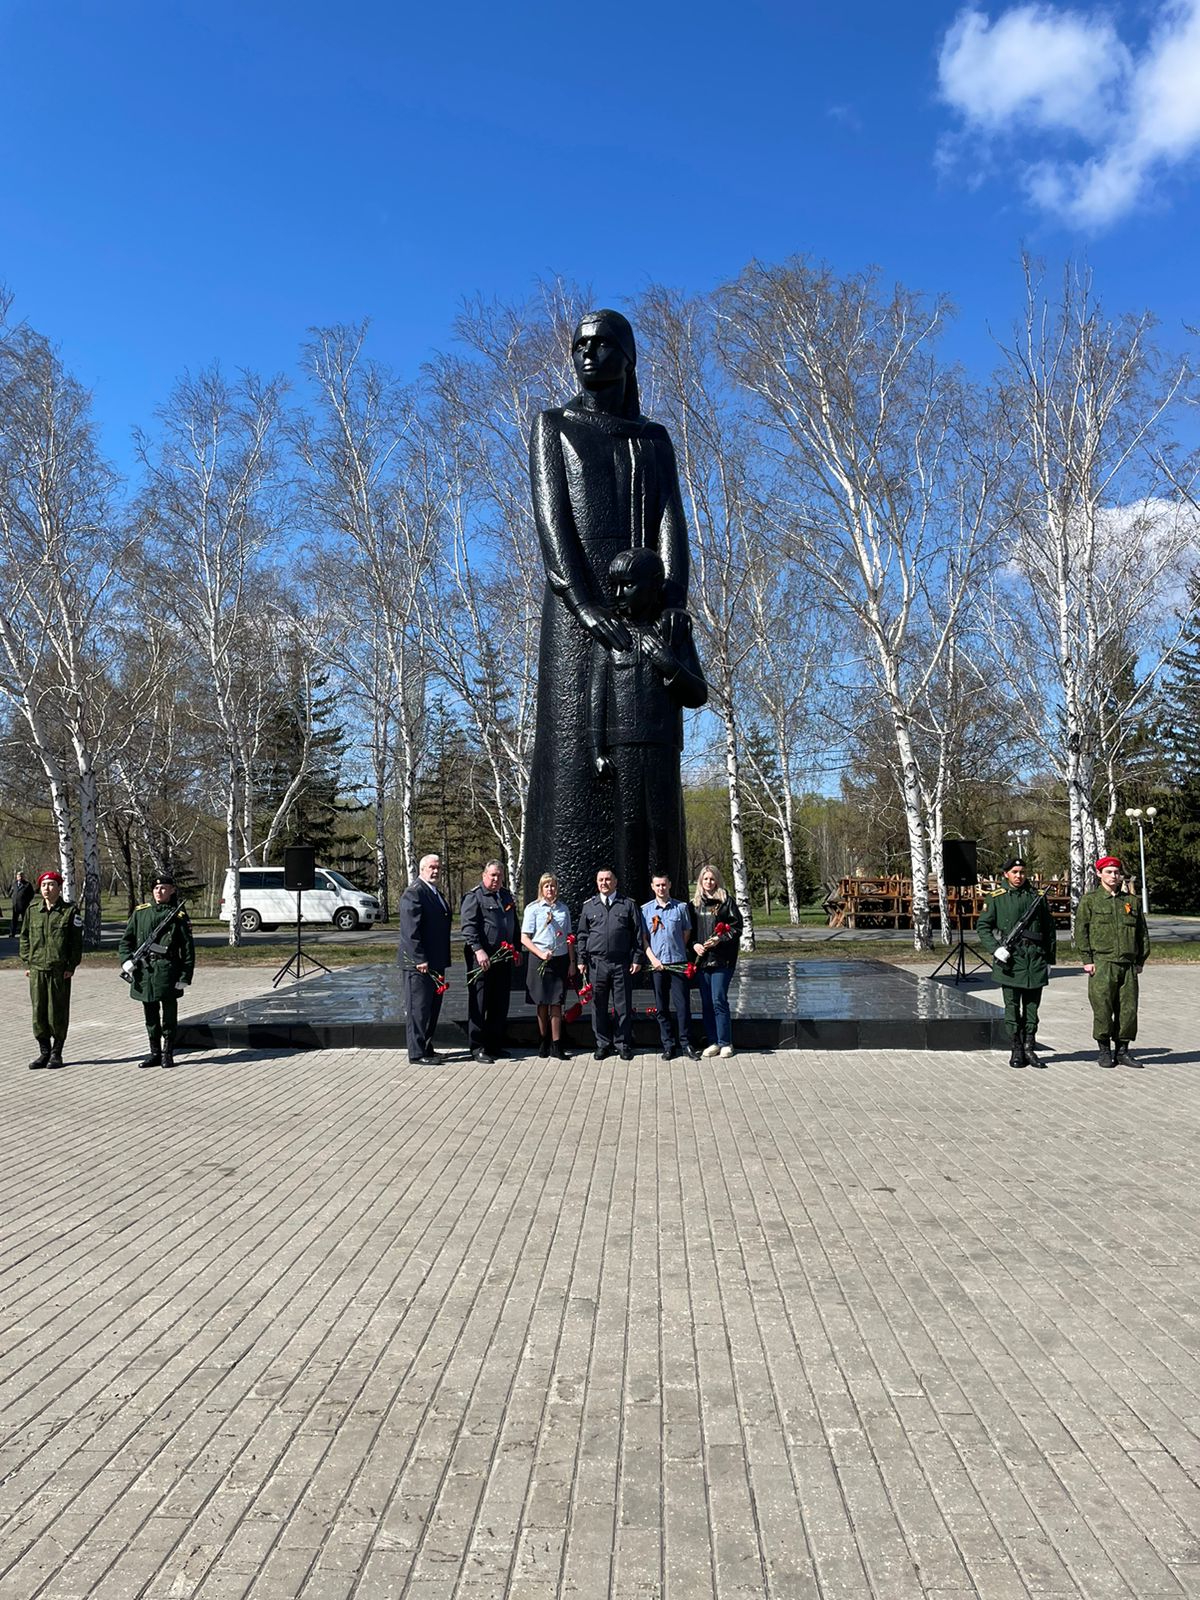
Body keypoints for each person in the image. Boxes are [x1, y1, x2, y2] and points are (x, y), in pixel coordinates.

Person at [524, 309, 691, 919]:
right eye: (579, 346)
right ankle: (565, 916)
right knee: (575, 762)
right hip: (575, 616)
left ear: (627, 356)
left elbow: (673, 525)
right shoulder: (555, 426)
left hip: (645, 613)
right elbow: (554, 524)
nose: (588, 354)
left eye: (601, 345)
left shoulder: (652, 438)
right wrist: (587, 605)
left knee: (647, 770)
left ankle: (655, 921)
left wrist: (673, 605)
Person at [591, 549, 708, 901]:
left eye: (627, 585)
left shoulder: (673, 632)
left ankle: (667, 906)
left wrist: (670, 664)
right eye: (615, 586)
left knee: (664, 829)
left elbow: (698, 693)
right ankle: (628, 906)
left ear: (653, 587)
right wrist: (598, 749)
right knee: (629, 830)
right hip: (623, 748)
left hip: (662, 746)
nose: (618, 594)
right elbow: (597, 696)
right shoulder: (611, 637)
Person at [976, 857, 1058, 1069]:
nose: (1019, 876)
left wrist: (1049, 959)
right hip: (1011, 961)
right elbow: (983, 927)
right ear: (1006, 874)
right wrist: (996, 949)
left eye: (1022, 872)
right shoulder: (996, 898)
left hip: (1035, 960)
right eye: (1014, 872)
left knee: (1032, 1008)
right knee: (1012, 1007)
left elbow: (1049, 930)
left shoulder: (1038, 896)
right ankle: (1016, 1049)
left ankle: (1030, 1048)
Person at [1075, 853, 1150, 1068]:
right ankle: (1104, 1050)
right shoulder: (1090, 900)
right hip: (1102, 963)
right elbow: (1081, 931)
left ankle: (1123, 1050)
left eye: (1117, 872)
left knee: (1128, 1009)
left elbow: (1141, 934)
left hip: (1127, 965)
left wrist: (1140, 960)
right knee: (1103, 1008)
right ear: (1099, 874)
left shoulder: (1131, 902)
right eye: (1108, 872)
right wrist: (1086, 959)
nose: (1114, 876)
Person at [119, 873, 195, 1069]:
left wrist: (185, 975)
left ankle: (167, 1053)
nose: (159, 892)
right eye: (155, 888)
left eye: (163, 888)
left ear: (172, 890)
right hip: (144, 971)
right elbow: (126, 941)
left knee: (169, 1014)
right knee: (150, 1014)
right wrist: (126, 961)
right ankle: (154, 1052)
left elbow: (188, 949)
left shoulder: (178, 916)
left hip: (167, 970)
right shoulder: (141, 912)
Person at [576, 866, 644, 1061]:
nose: (604, 883)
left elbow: (637, 934)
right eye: (600, 880)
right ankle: (602, 1044)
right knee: (598, 1006)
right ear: (597, 883)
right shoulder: (589, 906)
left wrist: (637, 958)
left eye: (607, 879)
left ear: (615, 882)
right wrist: (581, 959)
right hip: (597, 964)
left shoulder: (628, 905)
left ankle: (622, 1044)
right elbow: (582, 935)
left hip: (621, 962)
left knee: (622, 1005)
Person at [20, 869, 84, 1069]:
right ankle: (43, 1052)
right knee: (38, 1011)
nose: (47, 889)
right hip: (37, 968)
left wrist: (70, 966)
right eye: (44, 885)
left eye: (51, 885)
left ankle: (57, 1053)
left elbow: (76, 943)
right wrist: (28, 961)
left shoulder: (70, 912)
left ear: (59, 887)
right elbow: (24, 937)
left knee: (57, 1011)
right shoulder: (32, 911)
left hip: (59, 970)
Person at [460, 859, 520, 1064]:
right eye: (492, 875)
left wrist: (517, 949)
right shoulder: (474, 896)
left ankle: (494, 1045)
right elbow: (468, 927)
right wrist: (478, 950)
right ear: (484, 875)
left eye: (499, 876)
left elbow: (514, 924)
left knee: (499, 1003)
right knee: (480, 1002)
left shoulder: (505, 896)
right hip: (482, 959)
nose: (496, 879)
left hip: (503, 958)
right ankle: (477, 1048)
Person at [398, 853, 452, 1065]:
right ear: (422, 869)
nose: (436, 871)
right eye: (431, 867)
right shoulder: (414, 893)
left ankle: (427, 1047)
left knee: (431, 1008)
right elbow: (410, 931)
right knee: (418, 1009)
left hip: (436, 961)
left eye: (438, 867)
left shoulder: (435, 892)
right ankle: (417, 1053)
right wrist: (419, 958)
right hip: (418, 964)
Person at [641, 872, 699, 1060]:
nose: (661, 888)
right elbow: (644, 940)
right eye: (657, 885)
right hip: (657, 965)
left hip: (677, 963)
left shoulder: (681, 908)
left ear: (669, 885)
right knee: (661, 1006)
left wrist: (676, 952)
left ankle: (686, 1044)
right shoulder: (645, 910)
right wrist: (653, 959)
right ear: (652, 887)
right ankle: (668, 1045)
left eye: (664, 884)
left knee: (683, 1006)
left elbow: (686, 933)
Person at [520, 871, 576, 1060]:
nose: (550, 889)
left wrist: (572, 962)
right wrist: (540, 953)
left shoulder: (563, 909)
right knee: (542, 1003)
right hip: (540, 959)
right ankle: (543, 1040)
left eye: (552, 885)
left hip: (559, 960)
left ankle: (557, 1044)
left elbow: (569, 938)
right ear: (541, 889)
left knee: (557, 1003)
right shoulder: (533, 909)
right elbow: (524, 938)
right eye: (546, 886)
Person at [691, 865, 743, 1059]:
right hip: (703, 961)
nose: (709, 883)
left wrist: (721, 939)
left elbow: (736, 928)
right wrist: (695, 945)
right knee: (706, 1003)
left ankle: (725, 1042)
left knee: (718, 999)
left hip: (722, 960)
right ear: (700, 882)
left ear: (717, 880)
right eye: (705, 879)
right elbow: (690, 933)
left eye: (712, 879)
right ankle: (713, 1041)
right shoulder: (694, 904)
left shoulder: (726, 902)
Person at [10, 869, 34, 938]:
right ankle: (12, 933)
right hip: (15, 906)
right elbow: (12, 893)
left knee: (25, 920)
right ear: (16, 877)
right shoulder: (14, 884)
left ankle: (25, 934)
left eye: (21, 876)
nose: (19, 877)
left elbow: (31, 894)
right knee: (14, 920)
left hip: (24, 906)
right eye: (18, 876)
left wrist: (27, 901)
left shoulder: (27, 884)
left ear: (23, 877)